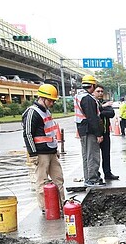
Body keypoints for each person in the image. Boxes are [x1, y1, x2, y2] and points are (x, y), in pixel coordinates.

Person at [22, 84, 65, 214]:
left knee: (58, 179)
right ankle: (45, 208)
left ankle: (62, 205)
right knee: (42, 181)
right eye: (50, 100)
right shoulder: (32, 112)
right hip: (40, 153)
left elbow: (50, 133)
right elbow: (28, 134)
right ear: (42, 98)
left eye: (53, 100)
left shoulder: (46, 111)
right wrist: (33, 153)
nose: (52, 103)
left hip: (51, 151)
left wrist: (55, 148)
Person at [75, 75, 104, 187]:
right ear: (92, 85)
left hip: (83, 129)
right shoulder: (88, 99)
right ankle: (92, 179)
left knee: (86, 155)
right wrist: (98, 134)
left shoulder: (79, 96)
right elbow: (92, 117)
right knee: (92, 155)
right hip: (89, 130)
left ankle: (88, 178)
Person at [93, 85, 119, 181]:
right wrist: (103, 108)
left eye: (101, 91)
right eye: (98, 91)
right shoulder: (92, 102)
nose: (100, 93)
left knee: (106, 154)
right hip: (95, 134)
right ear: (93, 92)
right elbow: (93, 113)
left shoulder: (104, 103)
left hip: (105, 132)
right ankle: (96, 174)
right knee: (95, 156)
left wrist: (100, 111)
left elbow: (111, 113)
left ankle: (107, 173)